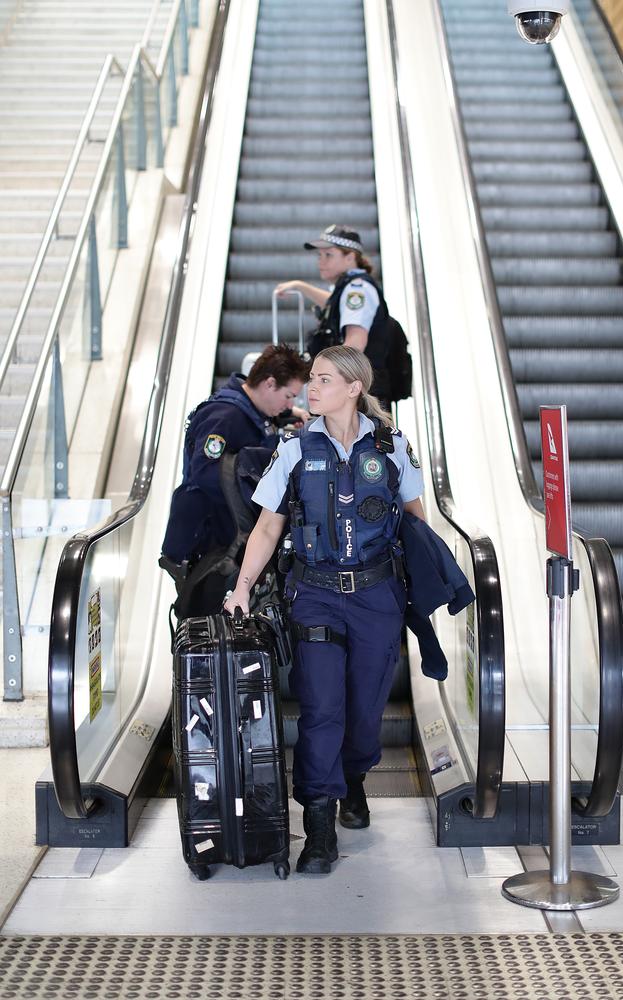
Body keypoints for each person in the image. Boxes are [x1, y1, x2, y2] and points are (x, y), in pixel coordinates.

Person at [224, 346, 425, 876]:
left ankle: (354, 779)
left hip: (378, 597)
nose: (310, 389)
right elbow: (268, 527)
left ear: (354, 387)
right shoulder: (292, 448)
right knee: (320, 710)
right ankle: (318, 829)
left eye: (323, 380)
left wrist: (430, 589)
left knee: (363, 715)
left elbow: (416, 521)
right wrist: (242, 587)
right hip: (314, 593)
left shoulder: (393, 446)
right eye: (310, 380)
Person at [161, 343, 310, 574]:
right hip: (209, 542)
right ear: (269, 383)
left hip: (226, 537)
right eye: (289, 397)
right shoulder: (223, 417)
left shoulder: (250, 406)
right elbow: (204, 472)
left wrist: (290, 415)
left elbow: (253, 425)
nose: (289, 405)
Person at [275, 225, 392, 407]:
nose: (321, 262)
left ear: (350, 257)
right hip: (356, 390)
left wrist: (323, 376)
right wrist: (301, 286)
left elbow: (355, 343)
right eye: (319, 255)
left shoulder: (357, 290)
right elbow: (336, 304)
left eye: (328, 255)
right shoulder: (351, 287)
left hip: (359, 396)